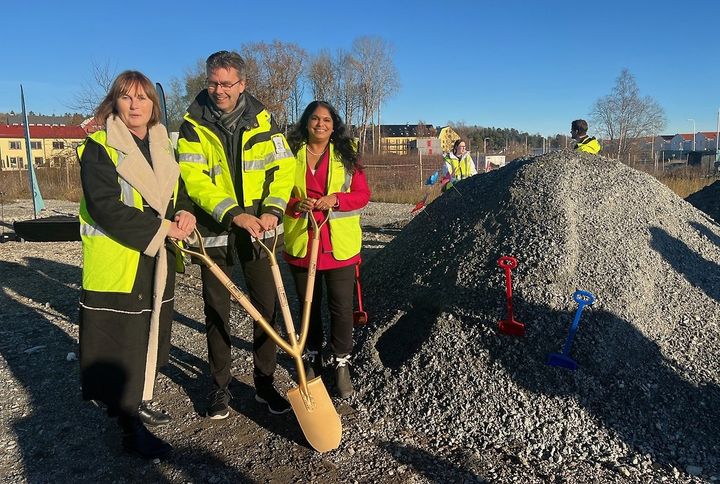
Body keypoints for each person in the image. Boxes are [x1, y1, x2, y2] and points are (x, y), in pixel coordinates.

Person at [78, 70, 196, 459]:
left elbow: (178, 192)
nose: (135, 105)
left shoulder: (163, 144)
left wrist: (184, 214)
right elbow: (105, 208)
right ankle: (129, 425)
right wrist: (162, 227)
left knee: (151, 334)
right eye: (126, 98)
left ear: (152, 105)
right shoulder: (100, 147)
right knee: (122, 343)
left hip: (157, 255)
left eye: (142, 98)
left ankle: (141, 397)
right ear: (115, 102)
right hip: (121, 259)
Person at [177, 50, 295, 419]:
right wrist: (234, 214)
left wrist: (272, 210)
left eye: (227, 83)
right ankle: (220, 386)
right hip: (216, 229)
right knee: (217, 311)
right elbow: (194, 180)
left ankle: (264, 383)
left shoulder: (264, 122)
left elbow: (283, 167)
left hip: (259, 230)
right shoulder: (192, 124)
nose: (219, 90)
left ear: (242, 84)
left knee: (265, 310)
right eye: (213, 82)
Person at [284, 101, 371, 399]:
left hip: (338, 247)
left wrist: (336, 199)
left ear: (334, 126)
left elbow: (362, 195)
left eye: (326, 120)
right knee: (308, 305)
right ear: (306, 122)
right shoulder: (289, 155)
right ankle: (311, 356)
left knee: (341, 308)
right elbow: (275, 195)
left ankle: (341, 362)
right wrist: (296, 206)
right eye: (314, 119)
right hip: (302, 245)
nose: (320, 124)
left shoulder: (346, 156)